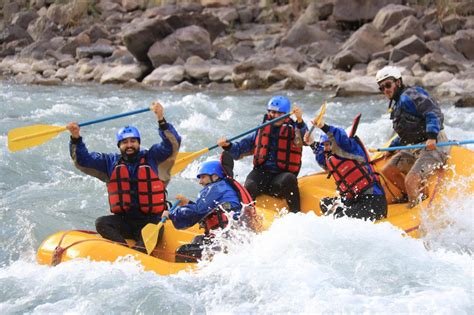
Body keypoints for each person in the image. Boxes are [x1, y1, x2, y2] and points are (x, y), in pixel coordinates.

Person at [66, 102, 181, 253]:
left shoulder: (153, 157)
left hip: (150, 221)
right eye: (125, 142)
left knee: (157, 228)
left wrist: (161, 119)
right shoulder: (110, 162)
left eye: (133, 141)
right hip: (124, 221)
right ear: (119, 145)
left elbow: (172, 144)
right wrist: (76, 138)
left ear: (139, 143)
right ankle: (124, 250)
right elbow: (83, 160)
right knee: (101, 222)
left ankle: (140, 253)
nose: (129, 145)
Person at [217, 95, 307, 213]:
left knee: (289, 179)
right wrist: (227, 146)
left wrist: (300, 121)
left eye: (279, 113)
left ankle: (296, 213)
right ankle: (241, 216)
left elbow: (305, 138)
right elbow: (239, 150)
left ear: (287, 114)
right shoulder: (261, 130)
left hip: (280, 178)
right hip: (261, 174)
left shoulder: (295, 130)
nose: (275, 116)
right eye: (272, 112)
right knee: (249, 186)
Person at [375, 66, 449, 207]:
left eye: (388, 85)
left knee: (411, 180)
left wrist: (432, 136)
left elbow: (433, 112)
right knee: (388, 170)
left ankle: (417, 208)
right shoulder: (398, 103)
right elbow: (407, 132)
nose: (385, 90)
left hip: (434, 144)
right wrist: (392, 148)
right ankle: (414, 196)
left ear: (398, 82)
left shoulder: (411, 95)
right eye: (382, 88)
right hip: (417, 146)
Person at [168, 152, 257, 262]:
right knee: (198, 239)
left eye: (203, 177)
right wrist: (188, 203)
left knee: (182, 251)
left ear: (215, 176)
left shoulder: (216, 188)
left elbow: (196, 212)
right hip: (236, 239)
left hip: (230, 244)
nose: (200, 182)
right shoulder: (225, 186)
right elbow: (205, 210)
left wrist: (171, 215)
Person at [303, 116, 387, 221]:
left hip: (373, 201)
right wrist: (311, 144)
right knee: (325, 203)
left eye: (329, 144)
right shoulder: (331, 158)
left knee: (339, 216)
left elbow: (340, 136)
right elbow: (322, 158)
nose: (326, 148)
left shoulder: (350, 148)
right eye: (324, 145)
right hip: (353, 200)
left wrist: (323, 126)